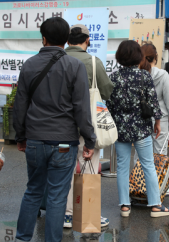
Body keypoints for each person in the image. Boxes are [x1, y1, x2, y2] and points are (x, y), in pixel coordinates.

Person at [13, 17, 96, 242]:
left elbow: (20, 104)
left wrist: (20, 136)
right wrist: (89, 140)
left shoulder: (29, 64)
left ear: (44, 38)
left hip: (35, 140)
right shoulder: (74, 65)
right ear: (66, 40)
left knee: (33, 191)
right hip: (63, 143)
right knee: (57, 197)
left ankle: (22, 239)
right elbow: (81, 108)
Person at [106, 40, 169, 218]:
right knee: (148, 165)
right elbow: (153, 103)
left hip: (120, 129)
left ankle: (125, 206)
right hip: (141, 128)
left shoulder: (113, 77)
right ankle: (155, 205)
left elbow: (109, 105)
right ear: (138, 56)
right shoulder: (144, 76)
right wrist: (158, 122)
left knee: (121, 166)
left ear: (119, 57)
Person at [64, 24, 114, 228]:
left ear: (67, 41)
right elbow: (107, 90)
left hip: (61, 125)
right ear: (87, 40)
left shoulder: (59, 58)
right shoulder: (93, 62)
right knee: (91, 168)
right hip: (89, 123)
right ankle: (90, 213)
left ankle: (67, 215)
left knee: (64, 170)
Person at [137, 43, 169, 196]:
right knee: (159, 153)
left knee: (140, 154)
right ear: (156, 57)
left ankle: (139, 185)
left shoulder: (136, 73)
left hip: (140, 119)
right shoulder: (162, 74)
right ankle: (160, 186)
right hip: (159, 119)